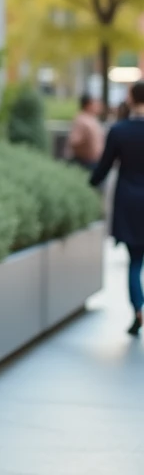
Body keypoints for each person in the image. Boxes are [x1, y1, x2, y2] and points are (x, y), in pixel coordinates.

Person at [90, 79, 144, 338]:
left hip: (129, 203)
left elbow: (102, 169)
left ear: (132, 98)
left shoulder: (119, 130)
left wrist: (86, 185)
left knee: (134, 262)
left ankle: (138, 310)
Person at [64, 93, 106, 171]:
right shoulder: (81, 120)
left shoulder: (92, 118)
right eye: (95, 103)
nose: (99, 106)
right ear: (88, 105)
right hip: (86, 163)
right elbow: (74, 142)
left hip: (94, 162)